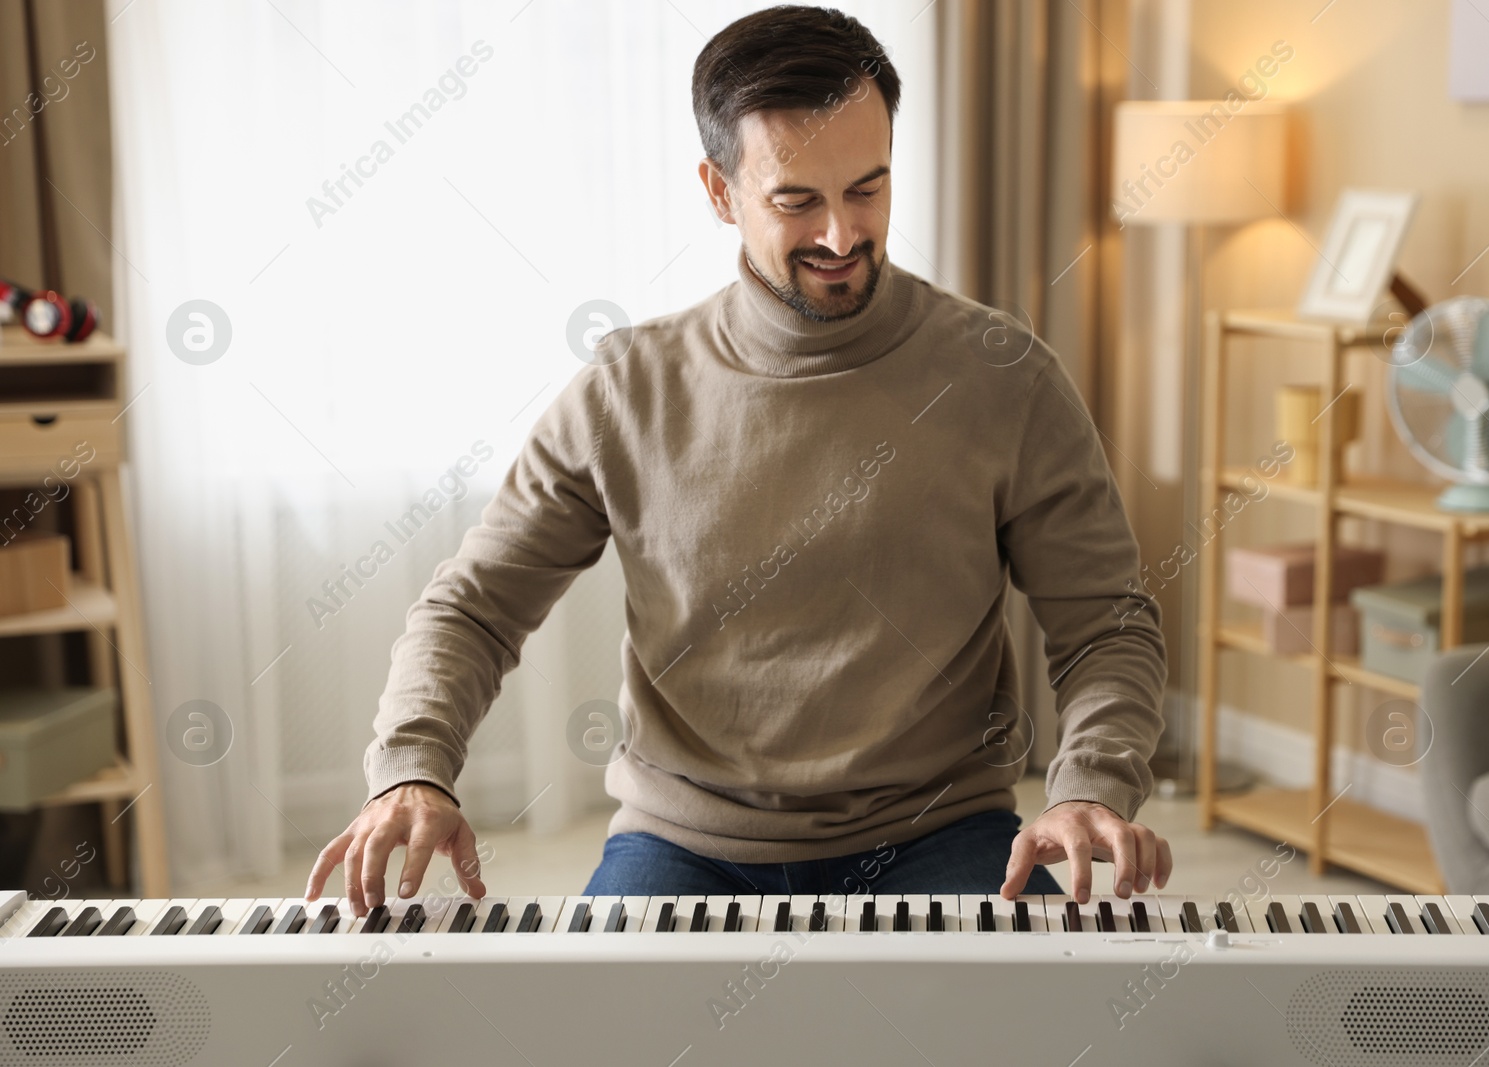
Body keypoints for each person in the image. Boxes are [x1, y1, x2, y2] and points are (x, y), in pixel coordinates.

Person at [306, 4, 1171, 919]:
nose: (842, 236)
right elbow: (473, 608)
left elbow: (1108, 625)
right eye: (797, 200)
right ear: (721, 192)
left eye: (868, 190)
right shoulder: (626, 391)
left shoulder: (1004, 376)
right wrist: (410, 766)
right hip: (686, 843)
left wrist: (1089, 783)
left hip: (940, 831)